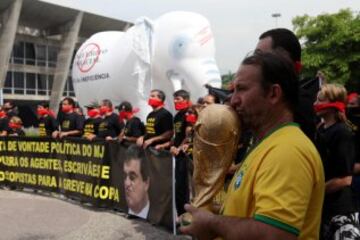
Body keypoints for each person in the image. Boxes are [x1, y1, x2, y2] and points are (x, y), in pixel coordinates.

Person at [180, 52, 325, 240]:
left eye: (241, 89)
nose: (233, 100)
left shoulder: (287, 150)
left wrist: (210, 224)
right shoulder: (268, 145)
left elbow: (274, 234)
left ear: (273, 93)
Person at [314, 84, 360, 239]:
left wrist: (315, 193)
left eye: (320, 100)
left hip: (339, 209)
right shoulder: (320, 130)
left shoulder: (342, 133)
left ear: (334, 104)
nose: (315, 103)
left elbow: (345, 179)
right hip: (323, 207)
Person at [169, 90, 192, 216]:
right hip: (176, 154)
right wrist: (173, 145)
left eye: (178, 99)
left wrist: (179, 147)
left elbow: (189, 134)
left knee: (184, 188)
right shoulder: (177, 116)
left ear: (186, 99)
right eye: (174, 99)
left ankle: (186, 215)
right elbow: (175, 135)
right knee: (178, 187)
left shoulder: (189, 113)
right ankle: (180, 215)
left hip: (185, 155)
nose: (175, 101)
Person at [123, 145, 150, 219]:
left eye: (132, 178)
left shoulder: (156, 214)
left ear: (146, 184)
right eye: (125, 176)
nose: (127, 184)